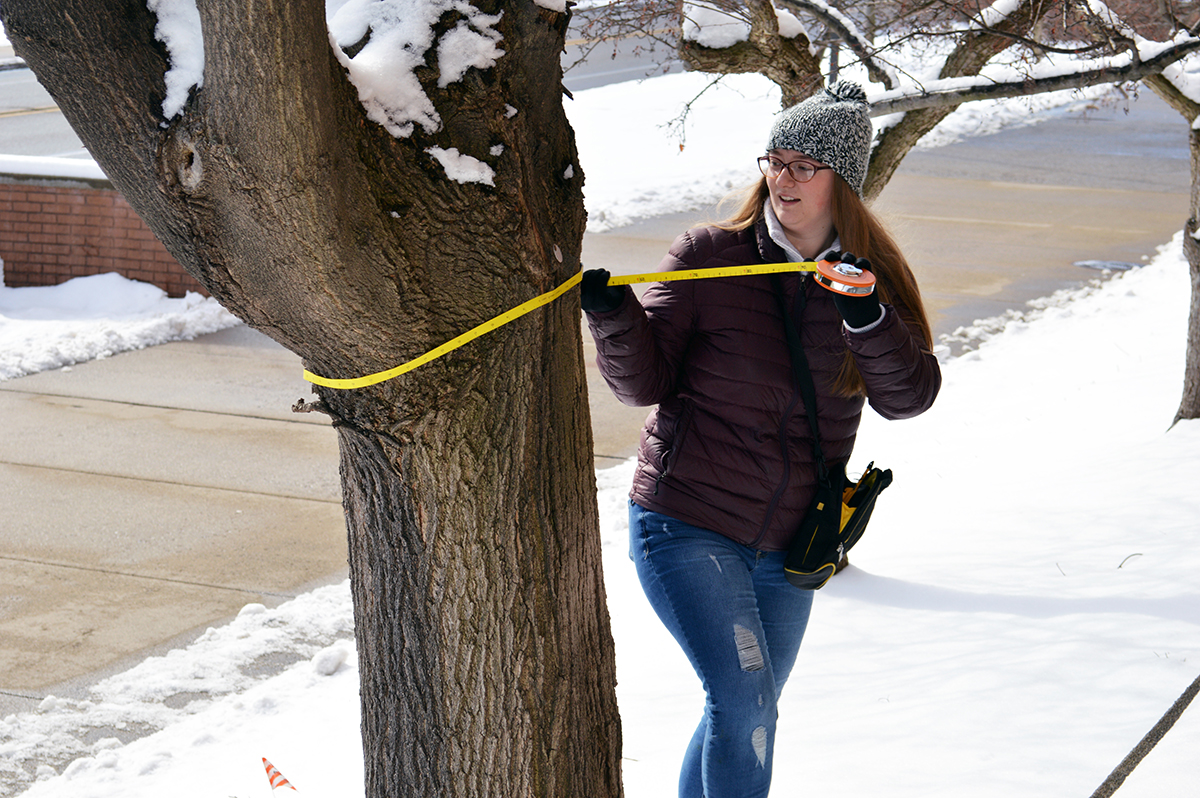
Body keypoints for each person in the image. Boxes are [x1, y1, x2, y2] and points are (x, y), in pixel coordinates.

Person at [580, 80, 941, 798]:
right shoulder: (711, 256)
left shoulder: (872, 279)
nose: (784, 179)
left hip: (791, 546)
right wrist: (614, 316)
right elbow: (642, 382)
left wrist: (867, 315)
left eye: (804, 165)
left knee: (749, 708)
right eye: (775, 160)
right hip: (687, 523)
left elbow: (909, 398)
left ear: (842, 181)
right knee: (743, 704)